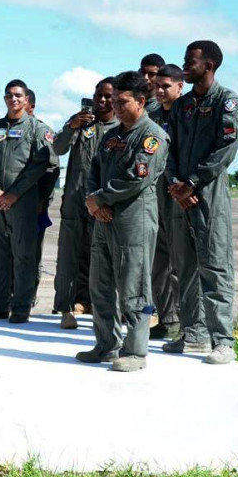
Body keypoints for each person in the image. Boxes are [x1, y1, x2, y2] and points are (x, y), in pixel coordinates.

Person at [76, 71, 168, 371]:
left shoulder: (151, 136)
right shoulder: (112, 135)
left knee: (134, 286)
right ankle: (106, 344)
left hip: (133, 220)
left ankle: (136, 352)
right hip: (103, 218)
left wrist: (99, 198)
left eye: (122, 101)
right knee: (100, 283)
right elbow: (94, 169)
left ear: (141, 102)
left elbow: (136, 179)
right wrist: (93, 200)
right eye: (113, 100)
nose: (114, 105)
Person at [164, 40, 238, 365]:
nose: (185, 64)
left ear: (209, 65)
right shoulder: (183, 106)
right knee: (183, 268)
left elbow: (226, 148)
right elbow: (169, 148)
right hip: (180, 196)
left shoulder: (228, 102)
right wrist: (174, 183)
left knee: (214, 266)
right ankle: (193, 334)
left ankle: (223, 341)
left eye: (191, 60)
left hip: (208, 195)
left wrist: (193, 182)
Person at [0, 80, 55, 323]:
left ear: (27, 100)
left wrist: (15, 193)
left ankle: (21, 307)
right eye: (9, 95)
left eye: (18, 95)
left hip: (23, 203)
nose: (13, 99)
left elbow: (41, 165)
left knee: (24, 255)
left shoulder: (38, 130)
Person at [52, 79, 118, 329]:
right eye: (98, 95)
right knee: (69, 254)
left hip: (103, 202)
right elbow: (57, 148)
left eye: (108, 96)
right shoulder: (81, 122)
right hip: (75, 200)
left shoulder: (120, 126)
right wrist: (71, 126)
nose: (101, 100)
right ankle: (65, 307)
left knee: (101, 255)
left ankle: (100, 305)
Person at [148, 64, 185, 340]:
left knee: (180, 261)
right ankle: (167, 318)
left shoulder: (189, 114)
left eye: (165, 86)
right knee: (158, 262)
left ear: (179, 87)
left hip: (180, 193)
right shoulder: (151, 117)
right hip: (155, 194)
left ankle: (187, 322)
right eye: (156, 86)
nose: (159, 91)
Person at [26, 88, 60, 310]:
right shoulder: (4, 130)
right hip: (9, 203)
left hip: (34, 204)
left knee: (31, 254)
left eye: (22, 100)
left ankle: (28, 297)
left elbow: (52, 168)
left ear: (32, 106)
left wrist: (43, 200)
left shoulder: (42, 131)